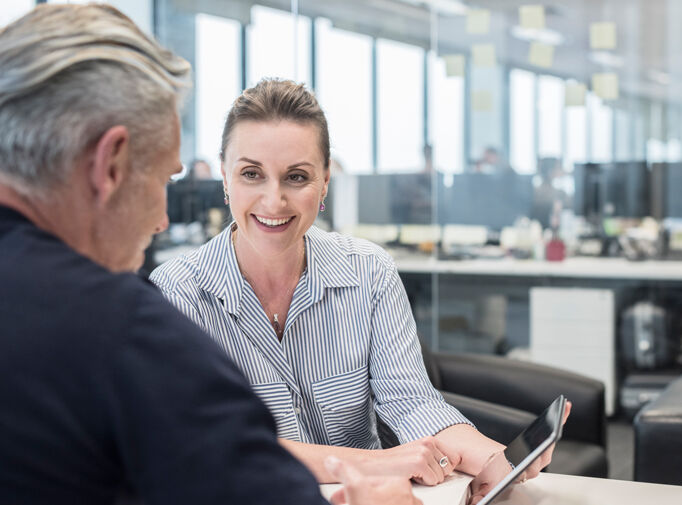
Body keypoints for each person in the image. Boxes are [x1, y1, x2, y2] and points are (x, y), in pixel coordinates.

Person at [0, 5, 417, 505]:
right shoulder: (125, 329)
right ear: (110, 164)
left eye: (298, 176)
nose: (161, 220)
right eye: (162, 180)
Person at [150, 79, 570, 499]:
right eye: (251, 174)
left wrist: (490, 457)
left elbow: (410, 401)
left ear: (325, 181)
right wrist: (374, 462)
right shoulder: (179, 293)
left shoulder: (368, 271)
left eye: (296, 177)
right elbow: (214, 445)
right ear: (225, 176)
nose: (273, 200)